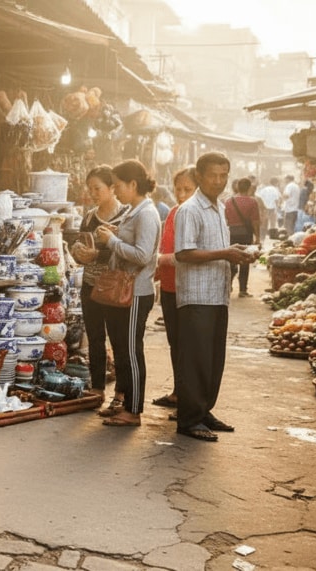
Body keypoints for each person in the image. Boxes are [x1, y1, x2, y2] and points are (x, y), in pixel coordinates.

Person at [173, 152, 258, 442]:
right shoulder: (190, 209)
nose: (219, 181)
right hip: (197, 296)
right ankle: (189, 419)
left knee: (212, 359)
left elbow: (213, 246)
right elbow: (183, 253)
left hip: (217, 293)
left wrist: (234, 250)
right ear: (199, 176)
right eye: (214, 175)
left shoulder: (218, 207)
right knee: (195, 360)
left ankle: (203, 410)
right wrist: (225, 253)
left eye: (224, 175)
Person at [92, 159, 162, 428]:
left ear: (133, 184)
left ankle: (133, 410)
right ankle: (124, 403)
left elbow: (143, 255)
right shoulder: (136, 210)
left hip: (136, 291)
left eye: (119, 185)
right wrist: (118, 233)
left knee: (131, 351)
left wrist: (113, 241)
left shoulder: (146, 213)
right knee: (121, 348)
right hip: (126, 290)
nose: (116, 190)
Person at [71, 166, 130, 405]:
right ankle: (97, 388)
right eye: (90, 189)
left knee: (119, 339)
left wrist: (98, 255)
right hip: (91, 284)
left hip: (115, 286)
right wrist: (79, 253)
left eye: (98, 188)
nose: (93, 193)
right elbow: (80, 244)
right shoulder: (89, 216)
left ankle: (121, 393)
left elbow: (128, 252)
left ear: (112, 188)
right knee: (95, 337)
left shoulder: (127, 215)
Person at [151, 166, 197, 410]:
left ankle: (188, 398)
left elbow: (189, 255)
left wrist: (160, 260)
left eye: (187, 190)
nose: (181, 194)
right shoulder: (173, 213)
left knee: (187, 346)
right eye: (178, 189)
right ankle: (178, 392)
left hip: (189, 289)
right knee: (175, 343)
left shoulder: (198, 214)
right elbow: (166, 245)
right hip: (169, 286)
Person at [224, 178, 262, 298]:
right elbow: (255, 221)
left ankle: (228, 285)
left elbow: (225, 219)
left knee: (230, 258)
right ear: (249, 187)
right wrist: (258, 237)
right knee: (245, 260)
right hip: (246, 233)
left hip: (231, 233)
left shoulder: (228, 201)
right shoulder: (252, 202)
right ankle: (242, 290)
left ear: (237, 187)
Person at [254, 177, 281, 243]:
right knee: (272, 223)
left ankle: (262, 238)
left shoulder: (264, 189)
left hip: (265, 208)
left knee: (264, 223)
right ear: (276, 183)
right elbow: (277, 200)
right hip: (272, 208)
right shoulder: (275, 189)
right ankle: (272, 237)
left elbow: (259, 197)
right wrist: (277, 208)